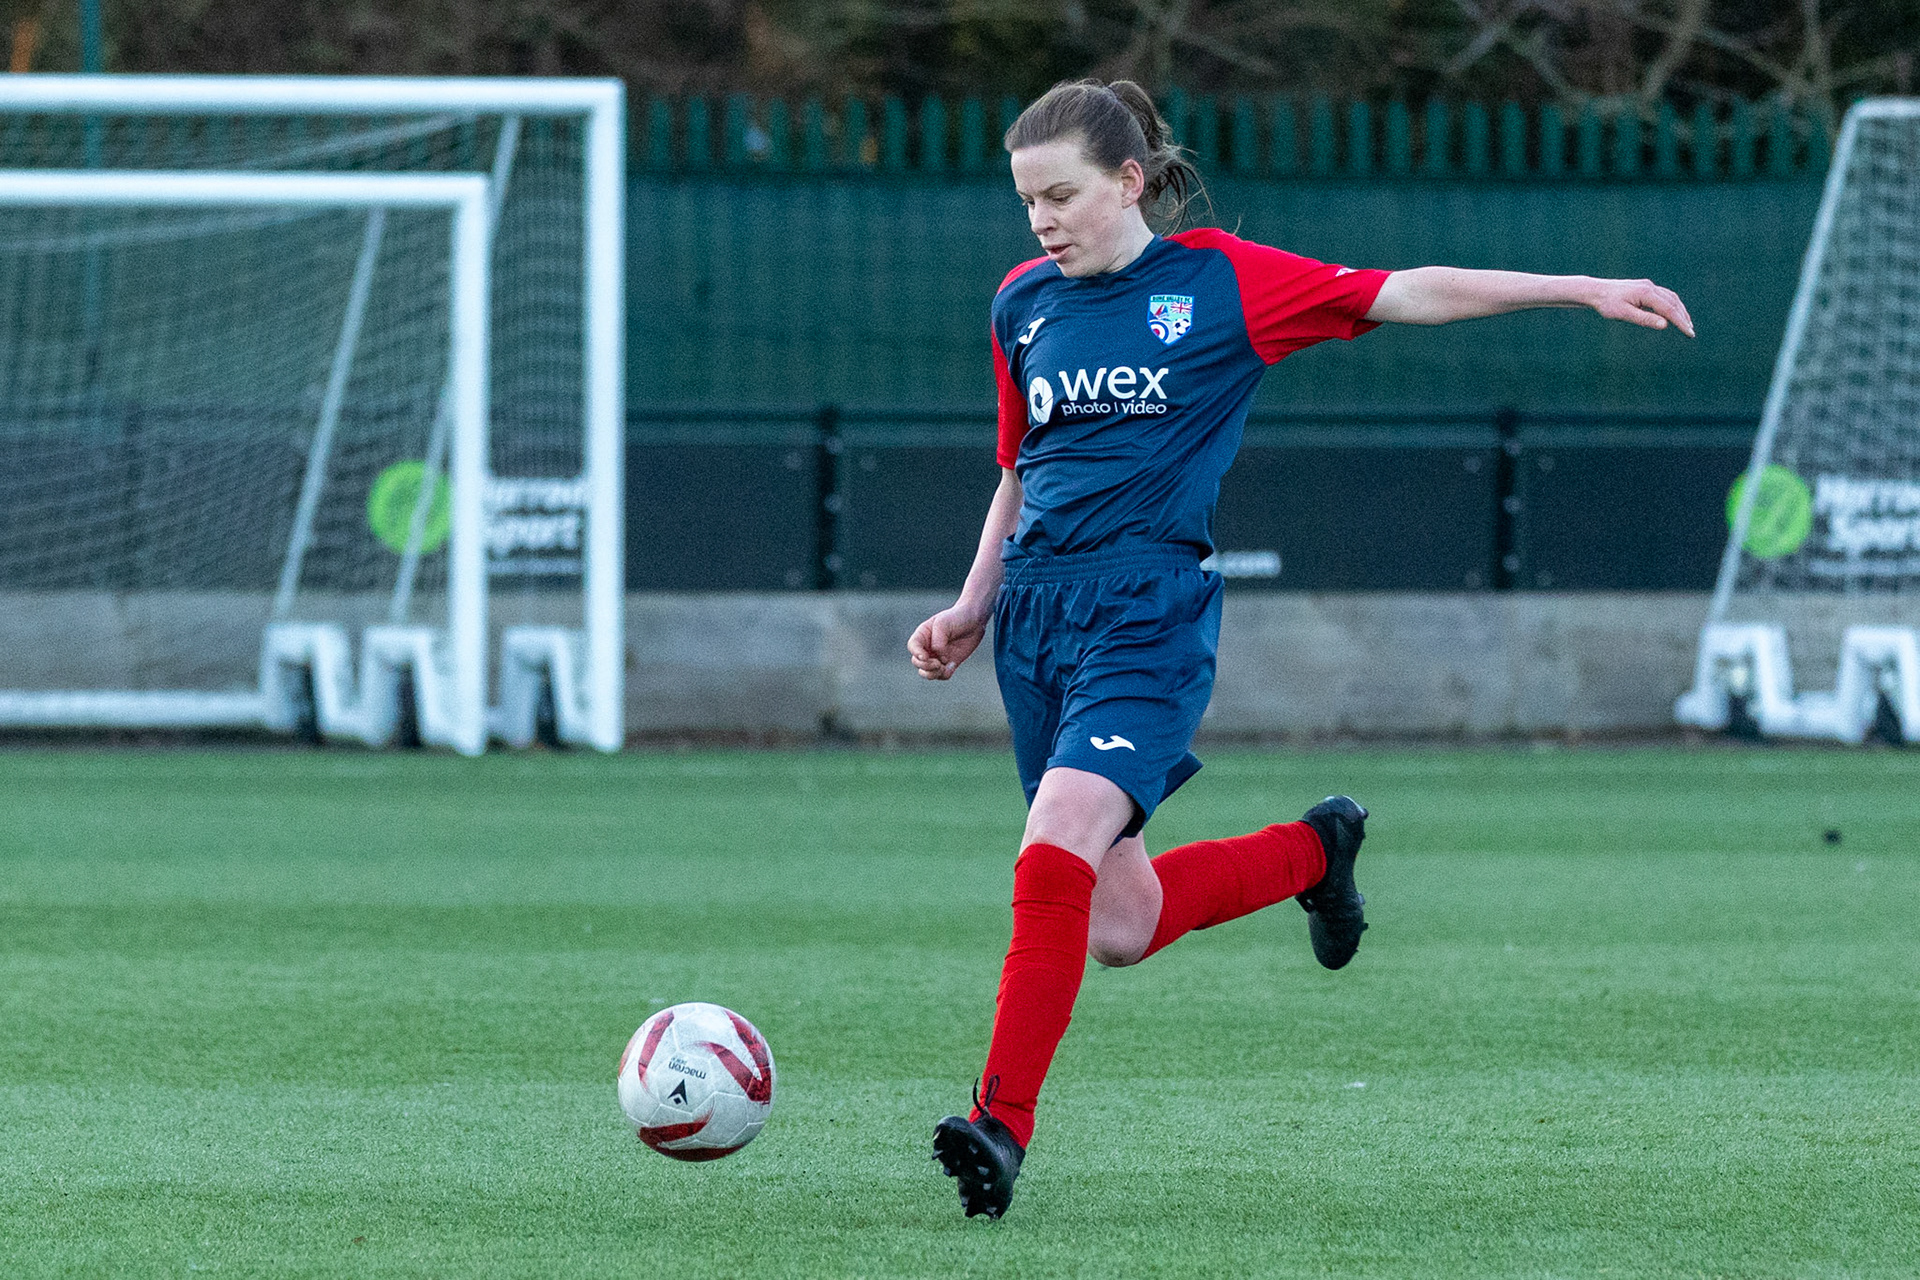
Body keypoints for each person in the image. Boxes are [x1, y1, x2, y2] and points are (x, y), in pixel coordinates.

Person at [907, 78, 1694, 1221]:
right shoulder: (1020, 304)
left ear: (1129, 182)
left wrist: (1578, 288)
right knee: (1117, 923)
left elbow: (1405, 289)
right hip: (1034, 619)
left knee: (1054, 844)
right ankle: (1316, 850)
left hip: (1146, 613)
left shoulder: (1219, 281)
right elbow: (1021, 469)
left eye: (1061, 195)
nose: (1041, 220)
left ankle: (1000, 1124)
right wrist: (973, 602)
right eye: (1028, 200)